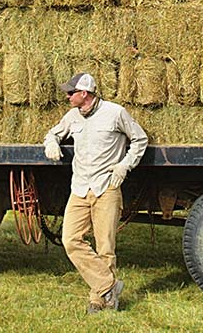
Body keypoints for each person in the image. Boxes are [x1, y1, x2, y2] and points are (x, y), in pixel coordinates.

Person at [42, 72, 148, 313]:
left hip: (106, 188)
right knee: (70, 240)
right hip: (79, 188)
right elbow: (53, 133)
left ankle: (100, 300)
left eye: (71, 93)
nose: (67, 96)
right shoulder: (72, 117)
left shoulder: (115, 113)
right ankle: (108, 284)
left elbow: (140, 139)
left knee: (105, 247)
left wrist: (125, 165)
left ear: (84, 94)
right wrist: (51, 142)